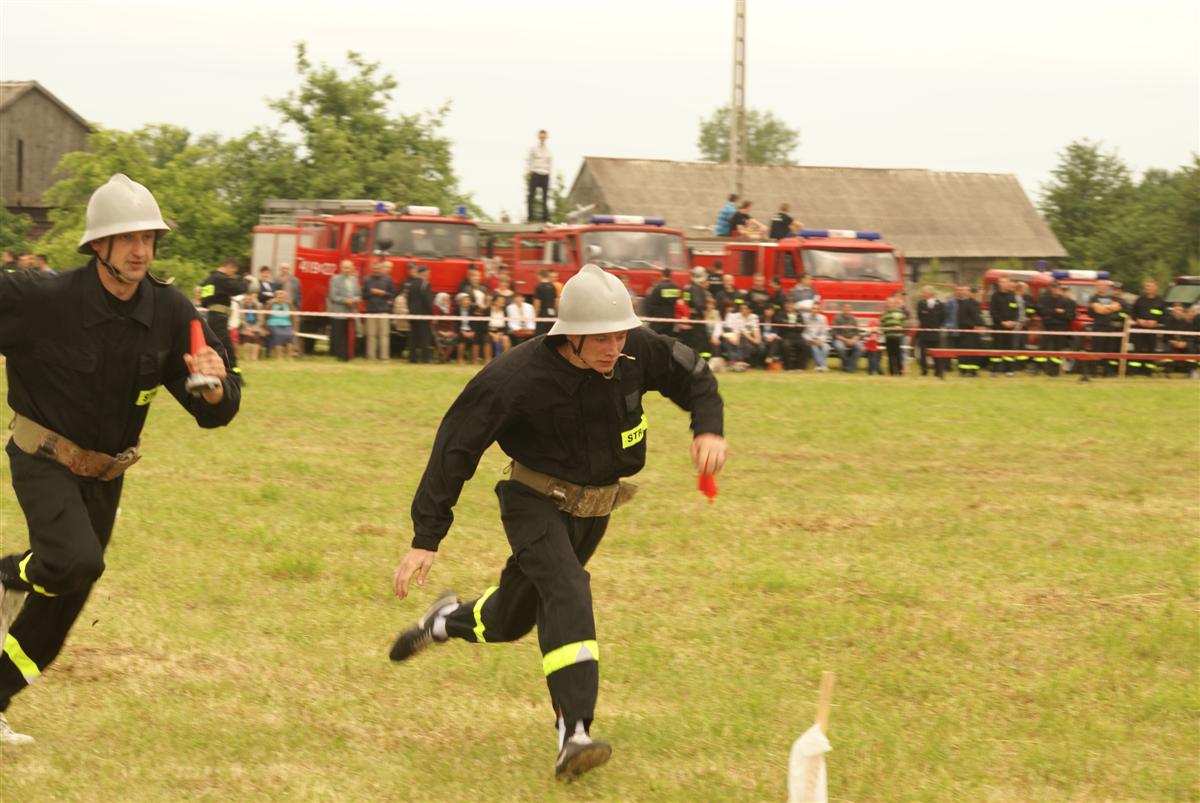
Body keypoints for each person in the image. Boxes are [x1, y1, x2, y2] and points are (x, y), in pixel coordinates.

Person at [388, 265, 726, 779]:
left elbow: (694, 375)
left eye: (619, 335)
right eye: (601, 339)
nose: (614, 348)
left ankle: (444, 620)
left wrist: (708, 428)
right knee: (568, 590)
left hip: (594, 510)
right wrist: (425, 537)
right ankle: (574, 732)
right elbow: (455, 447)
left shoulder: (637, 346)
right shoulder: (514, 379)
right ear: (570, 334)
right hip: (533, 502)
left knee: (509, 620)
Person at [0, 173, 239, 745]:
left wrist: (211, 389)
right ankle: (8, 575)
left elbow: (216, 405)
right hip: (43, 455)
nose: (140, 250)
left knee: (66, 599)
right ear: (98, 246)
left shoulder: (172, 311)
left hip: (106, 474)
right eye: (127, 238)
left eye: (149, 238)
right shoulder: (43, 299)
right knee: (76, 561)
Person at [198, 258, 249, 385]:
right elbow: (240, 288)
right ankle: (235, 378)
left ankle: (223, 375)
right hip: (219, 317)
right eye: (233, 272)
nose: (232, 275)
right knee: (225, 348)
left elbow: (204, 301)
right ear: (229, 267)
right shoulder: (221, 279)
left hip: (212, 316)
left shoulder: (207, 281)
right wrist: (246, 280)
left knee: (218, 346)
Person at [1129, 279, 1166, 376]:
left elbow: (1165, 315)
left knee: (1151, 350)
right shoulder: (1140, 299)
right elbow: (1132, 312)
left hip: (1152, 330)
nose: (1147, 288)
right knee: (1137, 349)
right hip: (1139, 329)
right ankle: (1135, 371)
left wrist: (1156, 321)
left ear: (1156, 287)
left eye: (1150, 286)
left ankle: (1148, 371)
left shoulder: (1160, 301)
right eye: (1146, 286)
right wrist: (1138, 320)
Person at [1037, 283, 1075, 376]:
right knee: (1045, 348)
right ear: (1051, 289)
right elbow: (1042, 312)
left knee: (1057, 350)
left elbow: (1070, 316)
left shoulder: (1067, 301)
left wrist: (1054, 314)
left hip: (1061, 329)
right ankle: (1042, 368)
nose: (1057, 290)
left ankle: (1054, 371)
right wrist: (1055, 311)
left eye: (1059, 289)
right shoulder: (1044, 299)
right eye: (1055, 288)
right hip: (1048, 328)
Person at [363, 258, 396, 362]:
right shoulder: (367, 280)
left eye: (378, 268)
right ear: (372, 268)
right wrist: (371, 293)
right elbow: (364, 296)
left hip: (384, 311)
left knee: (384, 335)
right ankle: (371, 357)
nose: (376, 270)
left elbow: (392, 294)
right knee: (371, 335)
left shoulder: (388, 279)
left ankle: (384, 357)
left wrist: (383, 293)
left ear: (381, 268)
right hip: (371, 310)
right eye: (374, 268)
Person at [327, 260, 361, 362]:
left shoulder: (354, 280)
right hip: (339, 312)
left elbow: (359, 295)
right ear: (341, 268)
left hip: (351, 312)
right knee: (339, 334)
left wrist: (353, 300)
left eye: (349, 267)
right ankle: (340, 356)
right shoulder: (335, 279)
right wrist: (345, 300)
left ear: (352, 268)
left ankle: (349, 355)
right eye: (345, 267)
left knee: (350, 334)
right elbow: (333, 296)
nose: (347, 270)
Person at [1088, 281, 1123, 378]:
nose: (1102, 287)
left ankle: (1107, 372)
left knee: (1109, 350)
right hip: (1098, 327)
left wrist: (1105, 308)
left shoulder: (1111, 297)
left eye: (1104, 285)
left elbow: (1118, 307)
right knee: (1096, 350)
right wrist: (1109, 308)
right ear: (1096, 286)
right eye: (1100, 285)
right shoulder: (1093, 298)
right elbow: (1098, 310)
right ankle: (1094, 372)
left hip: (1110, 327)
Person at [988, 277, 1019, 376]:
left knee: (1009, 348)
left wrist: (1012, 321)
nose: (1003, 284)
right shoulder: (995, 296)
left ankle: (1009, 370)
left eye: (1005, 282)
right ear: (999, 284)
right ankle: (995, 370)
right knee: (997, 348)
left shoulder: (1012, 295)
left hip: (1010, 327)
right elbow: (993, 311)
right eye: (1001, 282)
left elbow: (1015, 309)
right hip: (998, 327)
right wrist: (1002, 322)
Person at [914, 286, 946, 379]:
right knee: (923, 353)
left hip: (935, 333)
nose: (922, 294)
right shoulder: (921, 304)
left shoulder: (940, 304)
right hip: (924, 333)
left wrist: (936, 327)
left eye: (924, 292)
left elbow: (942, 318)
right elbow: (920, 316)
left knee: (937, 354)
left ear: (930, 294)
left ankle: (938, 372)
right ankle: (924, 371)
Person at [406, 263, 434, 364]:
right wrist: (432, 315)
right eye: (428, 273)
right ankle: (425, 358)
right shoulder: (425, 284)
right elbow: (428, 301)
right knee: (424, 337)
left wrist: (410, 312)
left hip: (413, 314)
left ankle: (412, 358)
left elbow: (408, 300)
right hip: (423, 315)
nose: (429, 275)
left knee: (413, 337)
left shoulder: (411, 284)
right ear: (424, 273)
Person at [643, 267, 682, 336]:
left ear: (662, 274)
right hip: (671, 319)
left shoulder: (658, 287)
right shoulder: (675, 287)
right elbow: (677, 301)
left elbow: (651, 303)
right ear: (670, 275)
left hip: (659, 320)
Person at [955, 286, 984, 377]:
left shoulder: (977, 304)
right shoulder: (964, 303)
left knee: (975, 351)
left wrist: (982, 326)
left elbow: (979, 316)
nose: (975, 295)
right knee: (965, 351)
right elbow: (963, 318)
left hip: (976, 333)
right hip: (967, 332)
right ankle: (963, 371)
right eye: (974, 293)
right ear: (970, 293)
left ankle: (973, 370)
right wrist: (973, 326)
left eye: (977, 293)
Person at [526, 129, 552, 223]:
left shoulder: (548, 150)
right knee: (531, 196)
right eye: (541, 136)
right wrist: (529, 170)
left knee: (545, 197)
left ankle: (545, 218)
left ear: (546, 137)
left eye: (544, 136)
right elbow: (529, 159)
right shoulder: (533, 148)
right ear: (538, 136)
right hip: (535, 173)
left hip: (545, 174)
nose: (542, 138)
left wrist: (548, 172)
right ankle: (530, 217)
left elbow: (549, 163)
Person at [831, 303, 865, 373]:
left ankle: (849, 366)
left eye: (849, 308)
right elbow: (835, 334)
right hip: (839, 339)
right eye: (845, 307)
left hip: (852, 340)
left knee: (860, 348)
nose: (847, 309)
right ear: (842, 309)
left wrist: (853, 340)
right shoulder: (837, 318)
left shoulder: (854, 319)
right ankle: (849, 365)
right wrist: (846, 340)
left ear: (851, 309)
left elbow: (857, 333)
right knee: (840, 348)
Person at [778, 298, 809, 370]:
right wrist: (788, 324)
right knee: (786, 346)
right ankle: (788, 367)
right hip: (786, 336)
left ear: (794, 305)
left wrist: (799, 325)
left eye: (791, 304)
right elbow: (779, 322)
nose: (789, 306)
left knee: (806, 347)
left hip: (797, 336)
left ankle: (800, 367)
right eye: (788, 304)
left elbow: (803, 326)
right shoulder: (781, 313)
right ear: (785, 305)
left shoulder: (799, 314)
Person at [880, 296, 907, 376]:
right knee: (889, 354)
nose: (889, 304)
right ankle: (891, 371)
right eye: (888, 303)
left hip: (897, 337)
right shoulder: (884, 314)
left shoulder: (900, 313)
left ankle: (899, 371)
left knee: (898, 354)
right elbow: (882, 325)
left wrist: (901, 327)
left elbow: (905, 323)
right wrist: (886, 328)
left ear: (894, 304)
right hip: (888, 337)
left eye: (891, 303)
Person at [266, 289, 295, 359]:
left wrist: (294, 329)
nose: (280, 299)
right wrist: (265, 328)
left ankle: (289, 357)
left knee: (289, 335)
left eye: (282, 298)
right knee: (279, 335)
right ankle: (279, 357)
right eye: (279, 297)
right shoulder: (271, 304)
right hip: (273, 324)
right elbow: (265, 316)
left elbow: (293, 317)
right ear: (275, 298)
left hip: (287, 324)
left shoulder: (289, 304)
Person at [802, 300, 830, 371]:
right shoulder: (805, 318)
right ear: (811, 309)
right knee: (814, 348)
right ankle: (821, 365)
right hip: (809, 340)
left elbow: (824, 332)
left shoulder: (823, 318)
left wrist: (819, 340)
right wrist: (811, 340)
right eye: (813, 308)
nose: (814, 310)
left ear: (818, 310)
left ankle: (820, 366)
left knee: (826, 347)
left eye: (816, 309)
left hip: (819, 340)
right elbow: (803, 332)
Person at [532, 269, 559, 336]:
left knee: (540, 334)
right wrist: (556, 313)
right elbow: (556, 301)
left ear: (539, 276)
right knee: (550, 333)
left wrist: (535, 315)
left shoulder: (539, 287)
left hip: (542, 313)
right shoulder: (552, 286)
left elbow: (537, 302)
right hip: (552, 313)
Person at [487, 294, 511, 360]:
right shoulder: (487, 311)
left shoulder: (505, 311)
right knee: (486, 339)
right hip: (488, 331)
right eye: (500, 300)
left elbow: (506, 325)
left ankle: (505, 359)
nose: (503, 302)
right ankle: (488, 360)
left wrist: (499, 333)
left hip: (501, 331)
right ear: (494, 302)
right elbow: (483, 325)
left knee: (506, 338)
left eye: (503, 300)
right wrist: (492, 334)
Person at [390, 288, 411, 360]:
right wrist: (412, 312)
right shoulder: (399, 299)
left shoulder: (408, 298)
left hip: (408, 322)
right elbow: (401, 311)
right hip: (401, 323)